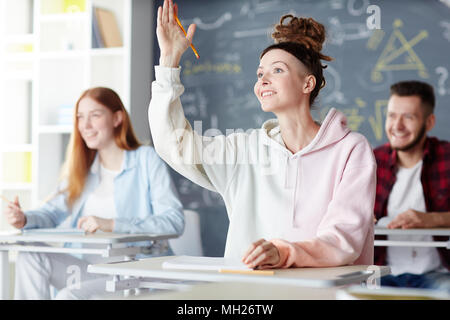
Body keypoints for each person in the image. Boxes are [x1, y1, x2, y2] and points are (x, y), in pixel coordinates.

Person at [149, 0, 376, 270]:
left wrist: (283, 253)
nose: (263, 80)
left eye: (277, 70)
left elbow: (343, 238)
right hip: (250, 295)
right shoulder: (244, 150)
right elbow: (173, 144)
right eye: (260, 74)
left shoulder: (351, 150)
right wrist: (168, 62)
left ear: (308, 83)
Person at [4, 87, 184, 299]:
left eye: (95, 115)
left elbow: (174, 221)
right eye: (80, 117)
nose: (85, 126)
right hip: (88, 271)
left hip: (133, 274)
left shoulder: (146, 160)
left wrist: (113, 224)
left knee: (68, 296)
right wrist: (24, 218)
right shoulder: (82, 170)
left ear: (117, 118)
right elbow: (51, 213)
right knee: (29, 254)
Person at [374, 80, 450, 291]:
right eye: (391, 115)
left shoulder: (447, 157)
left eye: (408, 117)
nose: (397, 126)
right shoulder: (371, 161)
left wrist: (432, 219)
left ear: (429, 122)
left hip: (437, 275)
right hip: (382, 274)